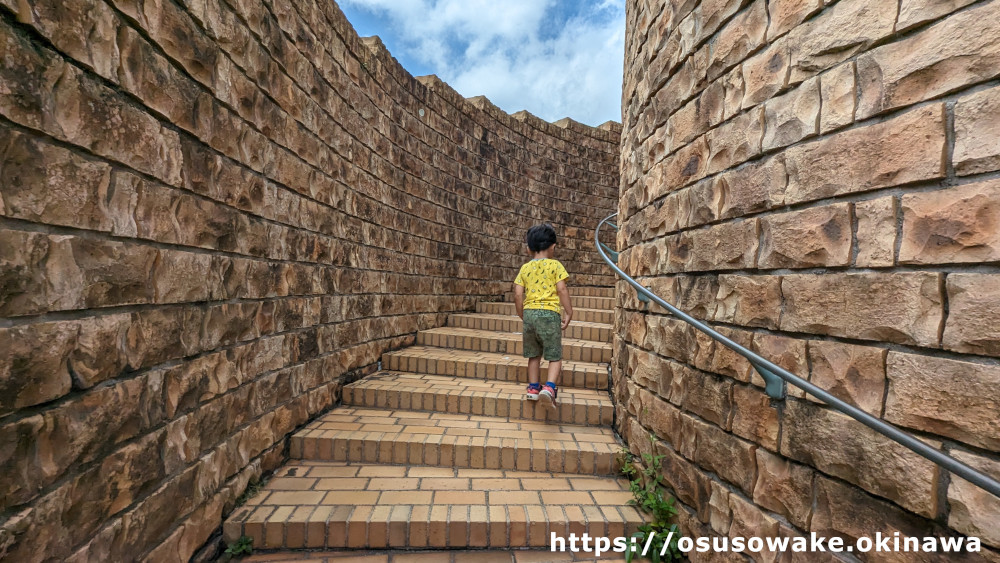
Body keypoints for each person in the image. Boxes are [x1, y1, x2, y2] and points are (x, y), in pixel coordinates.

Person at [513, 223, 573, 407]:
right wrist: (569, 311)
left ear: (529, 248)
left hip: (529, 314)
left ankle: (532, 388)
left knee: (534, 354)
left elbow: (517, 293)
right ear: (553, 246)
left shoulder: (525, 268)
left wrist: (522, 314)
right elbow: (561, 289)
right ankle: (549, 387)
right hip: (549, 315)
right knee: (554, 355)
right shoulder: (556, 266)